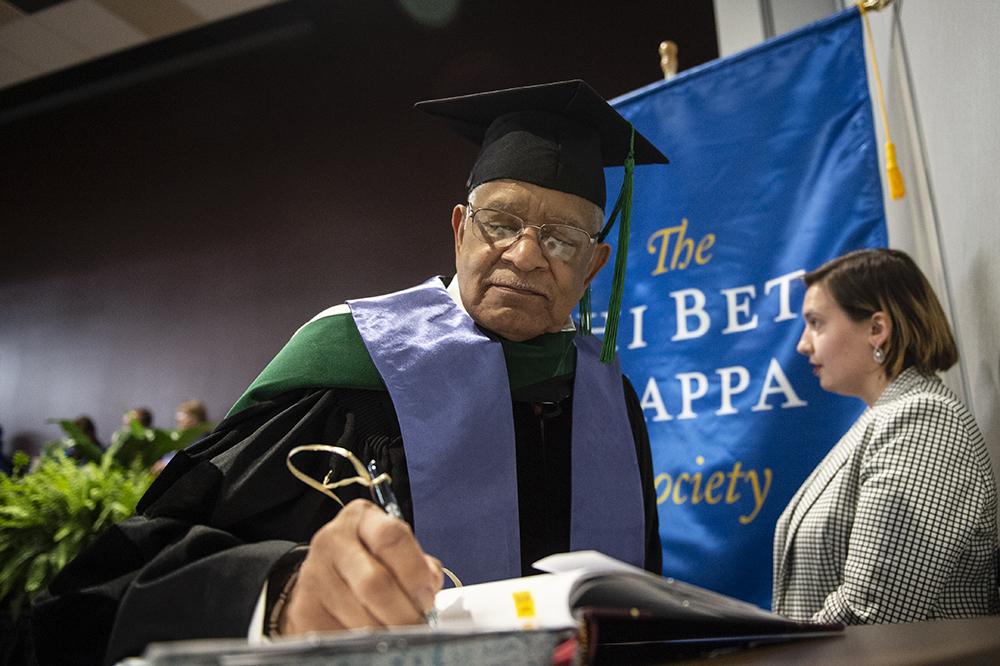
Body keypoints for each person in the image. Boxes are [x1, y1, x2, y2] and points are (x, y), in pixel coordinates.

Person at [32, 80, 668, 665]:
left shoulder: (609, 401)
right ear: (458, 231)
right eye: (500, 223)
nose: (526, 255)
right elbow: (110, 586)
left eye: (561, 238)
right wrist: (279, 594)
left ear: (593, 265)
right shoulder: (356, 368)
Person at [772, 248, 999, 624]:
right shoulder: (883, 418)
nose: (802, 344)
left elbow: (873, 609)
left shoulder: (922, 421)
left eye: (816, 323)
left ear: (877, 329)